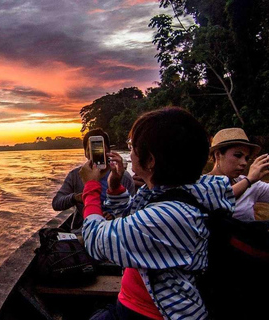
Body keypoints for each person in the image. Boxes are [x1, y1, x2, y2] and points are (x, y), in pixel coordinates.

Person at [79, 107, 234, 319]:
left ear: (150, 160)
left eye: (132, 146)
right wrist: (115, 187)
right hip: (136, 300)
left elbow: (95, 239)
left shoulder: (173, 215)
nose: (130, 153)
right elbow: (132, 219)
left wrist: (91, 187)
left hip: (152, 313)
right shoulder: (176, 192)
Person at [52, 128, 135, 232]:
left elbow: (132, 211)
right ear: (85, 153)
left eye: (99, 148)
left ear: (108, 151)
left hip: (115, 230)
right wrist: (75, 198)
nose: (94, 153)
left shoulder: (122, 176)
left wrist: (114, 216)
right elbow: (56, 203)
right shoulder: (76, 175)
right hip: (82, 230)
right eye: (89, 149)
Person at [208, 127, 269, 222]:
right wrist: (248, 180)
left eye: (246, 158)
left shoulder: (251, 184)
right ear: (218, 155)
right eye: (238, 155)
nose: (244, 163)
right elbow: (217, 198)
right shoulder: (202, 184)